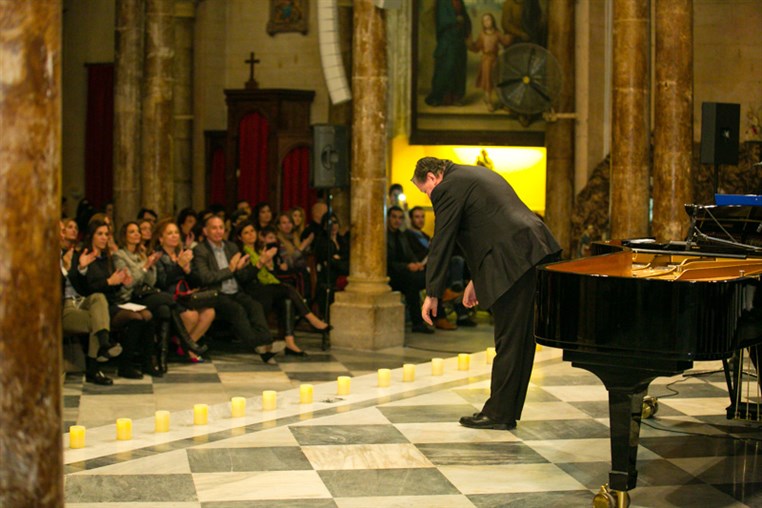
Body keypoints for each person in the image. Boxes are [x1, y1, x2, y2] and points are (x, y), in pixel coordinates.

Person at [412, 156, 561, 430]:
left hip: (514, 255)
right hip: (531, 248)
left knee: (509, 337)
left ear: (432, 178)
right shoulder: (471, 176)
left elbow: (442, 241)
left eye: (425, 190)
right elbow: (484, 231)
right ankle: (506, 411)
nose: (428, 196)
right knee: (520, 337)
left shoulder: (447, 188)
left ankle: (498, 414)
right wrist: (475, 280)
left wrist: (432, 293)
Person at [191, 215, 285, 364]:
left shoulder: (231, 247)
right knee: (237, 310)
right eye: (214, 228)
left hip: (236, 290)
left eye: (221, 227)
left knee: (255, 306)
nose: (218, 231)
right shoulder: (201, 250)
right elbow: (205, 278)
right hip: (216, 293)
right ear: (205, 231)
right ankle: (259, 346)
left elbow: (242, 276)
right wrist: (230, 269)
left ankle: (267, 345)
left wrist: (259, 264)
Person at [238, 223, 331, 356]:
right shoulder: (242, 253)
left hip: (267, 287)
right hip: (253, 289)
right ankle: (311, 318)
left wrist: (270, 266)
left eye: (252, 230)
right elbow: (245, 278)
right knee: (287, 288)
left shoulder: (262, 250)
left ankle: (290, 342)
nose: (251, 234)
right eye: (246, 233)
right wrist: (260, 263)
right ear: (240, 237)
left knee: (287, 299)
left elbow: (272, 276)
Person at [152, 219, 215, 364]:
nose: (174, 236)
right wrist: (179, 267)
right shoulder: (158, 256)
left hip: (186, 295)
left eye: (176, 233)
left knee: (209, 312)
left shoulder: (182, 253)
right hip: (168, 296)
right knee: (192, 316)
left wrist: (188, 271)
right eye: (169, 233)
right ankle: (189, 348)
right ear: (161, 238)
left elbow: (196, 281)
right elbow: (161, 282)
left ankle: (185, 346)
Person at [387, 206, 457, 333]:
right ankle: (425, 320)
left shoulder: (401, 236)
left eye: (400, 217)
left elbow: (409, 254)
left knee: (433, 277)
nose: (397, 220)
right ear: (388, 218)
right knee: (413, 282)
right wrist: (407, 266)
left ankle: (435, 315)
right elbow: (386, 262)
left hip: (406, 272)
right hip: (392, 275)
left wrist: (416, 264)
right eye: (394, 217)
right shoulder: (386, 236)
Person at [425, 0, 471, 107]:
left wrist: (466, 26)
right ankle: (440, 97)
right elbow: (441, 20)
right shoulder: (442, 2)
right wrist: (455, 20)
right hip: (447, 39)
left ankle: (456, 97)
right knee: (446, 67)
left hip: (459, 40)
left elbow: (464, 16)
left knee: (458, 68)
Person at [467, 13, 512, 112]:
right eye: (485, 21)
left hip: (496, 60)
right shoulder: (482, 35)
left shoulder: (497, 33)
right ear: (483, 23)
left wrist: (509, 36)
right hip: (486, 61)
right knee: (487, 80)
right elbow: (476, 48)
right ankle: (489, 101)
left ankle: (502, 102)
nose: (487, 22)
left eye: (489, 20)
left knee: (498, 80)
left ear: (493, 21)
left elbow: (504, 42)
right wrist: (470, 44)